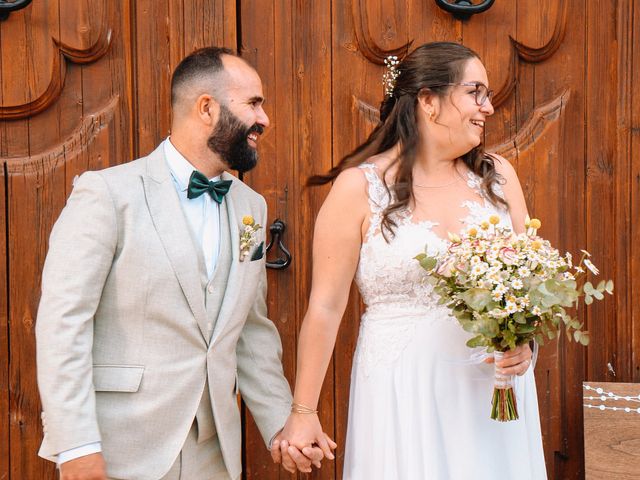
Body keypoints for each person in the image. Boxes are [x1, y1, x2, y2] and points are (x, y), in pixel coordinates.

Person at [36, 47, 332, 480]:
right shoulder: (107, 194)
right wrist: (76, 447)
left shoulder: (251, 207)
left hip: (212, 454)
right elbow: (64, 324)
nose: (264, 119)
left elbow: (250, 330)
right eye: (253, 103)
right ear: (207, 108)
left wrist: (279, 428)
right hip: (118, 449)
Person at [275, 42, 547, 479]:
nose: (489, 107)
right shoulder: (357, 189)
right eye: (476, 92)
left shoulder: (498, 177)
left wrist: (524, 344)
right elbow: (325, 308)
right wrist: (303, 410)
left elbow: (529, 287)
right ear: (428, 101)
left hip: (491, 393)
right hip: (402, 394)